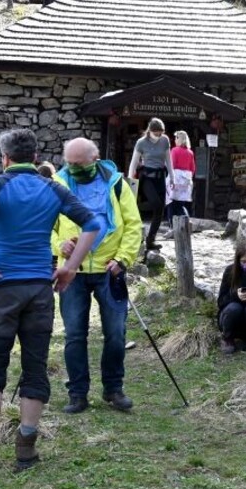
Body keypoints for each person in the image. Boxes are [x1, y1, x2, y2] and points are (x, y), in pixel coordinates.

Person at [0, 128, 102, 473]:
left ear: (4, 158)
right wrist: (69, 268)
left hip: (4, 286)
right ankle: (26, 449)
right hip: (40, 290)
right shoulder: (53, 187)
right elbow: (93, 223)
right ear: (35, 157)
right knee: (35, 366)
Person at [52, 138, 141, 415]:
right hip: (72, 272)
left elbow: (133, 225)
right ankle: (77, 394)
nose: (73, 168)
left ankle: (113, 389)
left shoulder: (116, 184)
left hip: (109, 270)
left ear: (95, 159)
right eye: (69, 163)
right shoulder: (58, 184)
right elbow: (47, 225)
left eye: (78, 163)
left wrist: (123, 259)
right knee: (74, 335)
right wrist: (59, 245)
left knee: (115, 333)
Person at [127, 118, 171, 251]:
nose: (158, 136)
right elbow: (134, 162)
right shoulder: (141, 142)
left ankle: (150, 240)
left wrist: (173, 177)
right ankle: (135, 212)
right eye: (156, 133)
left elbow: (169, 160)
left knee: (160, 209)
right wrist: (130, 179)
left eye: (160, 133)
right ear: (150, 131)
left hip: (160, 178)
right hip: (147, 178)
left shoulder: (165, 140)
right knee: (155, 203)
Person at [166, 130, 197, 221]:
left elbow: (172, 165)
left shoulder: (175, 150)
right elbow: (193, 168)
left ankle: (172, 225)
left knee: (171, 203)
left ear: (179, 139)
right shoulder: (190, 152)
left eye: (176, 138)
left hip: (175, 178)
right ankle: (185, 221)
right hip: (186, 179)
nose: (175, 140)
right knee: (181, 204)